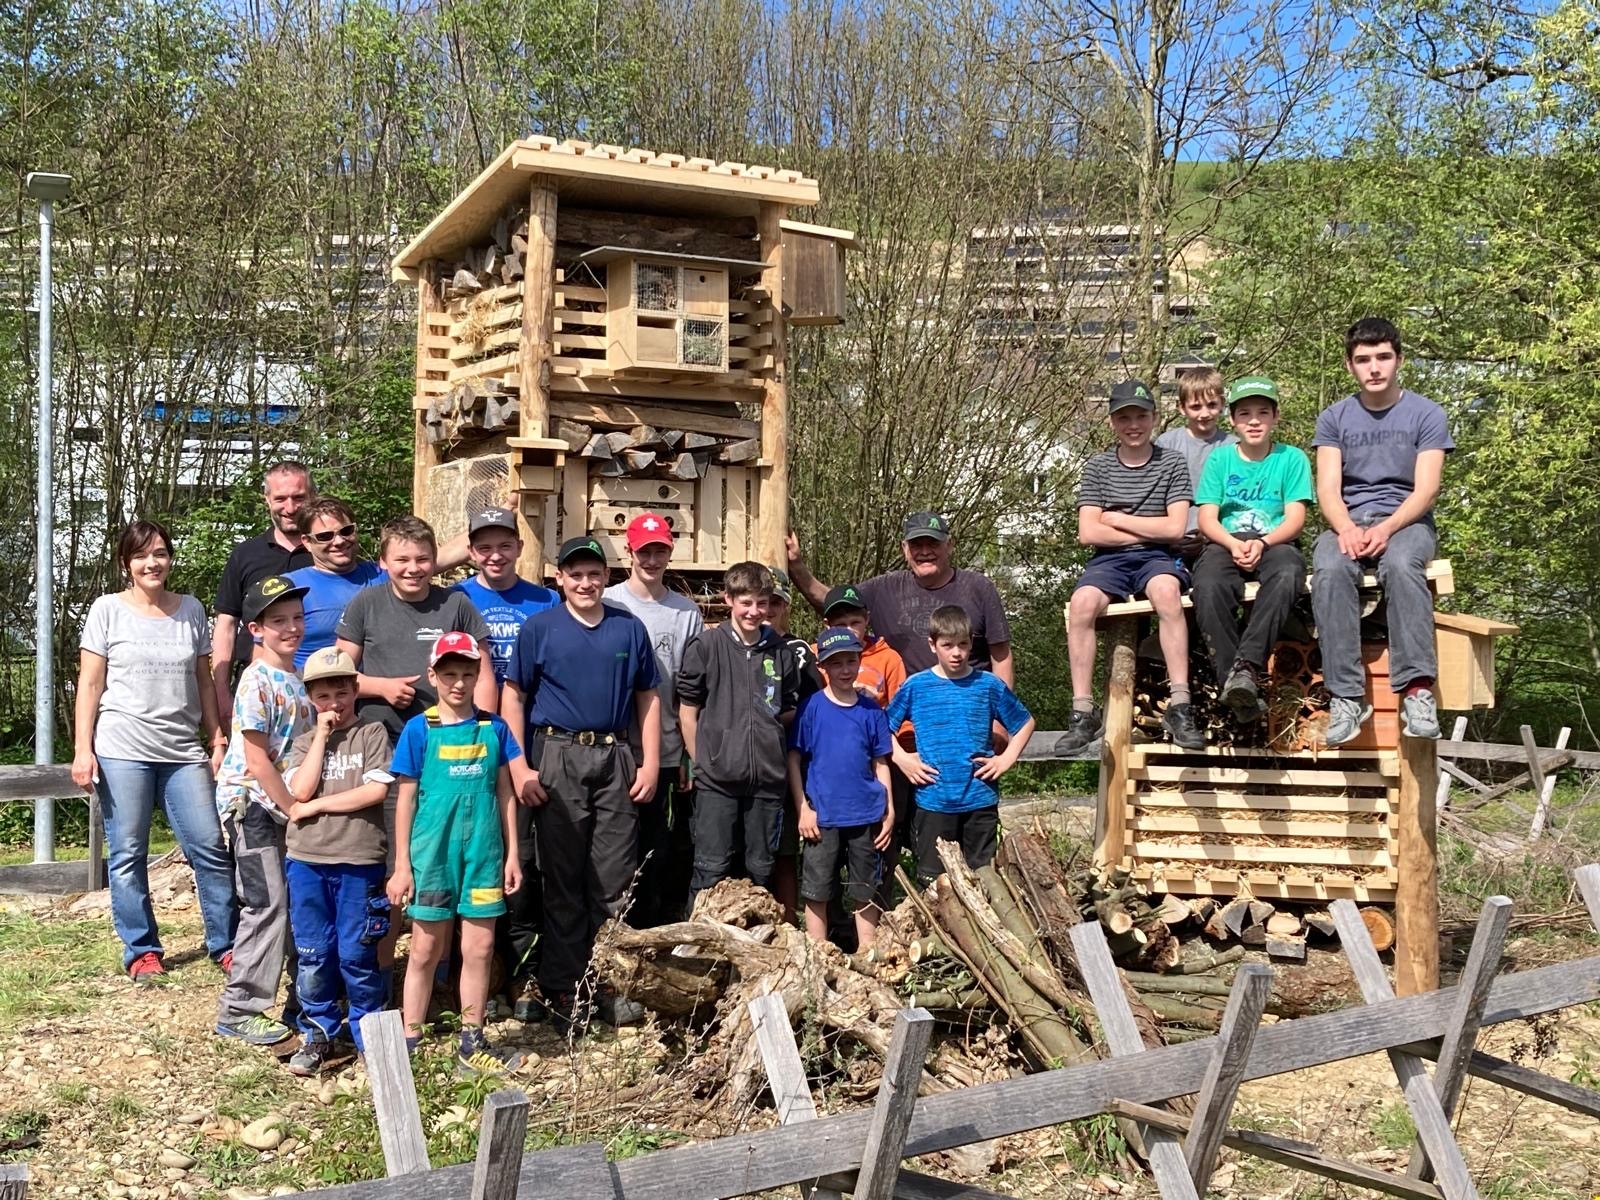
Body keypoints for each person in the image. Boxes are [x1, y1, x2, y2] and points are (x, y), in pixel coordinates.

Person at [500, 536, 661, 1028]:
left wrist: (650, 762)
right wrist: (520, 765)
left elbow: (648, 698)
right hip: (557, 754)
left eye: (593, 573)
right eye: (575, 574)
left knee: (613, 879)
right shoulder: (539, 628)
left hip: (614, 756)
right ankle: (562, 988)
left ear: (607, 577)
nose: (585, 583)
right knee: (562, 877)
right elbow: (513, 696)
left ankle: (607, 983)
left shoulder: (627, 628)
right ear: (560, 579)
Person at [71, 520, 237, 982]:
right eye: (142, 555)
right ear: (127, 563)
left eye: (160, 553)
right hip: (123, 748)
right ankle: (142, 950)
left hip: (183, 751)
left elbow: (204, 681)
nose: (153, 563)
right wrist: (83, 749)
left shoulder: (191, 610)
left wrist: (216, 737)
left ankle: (226, 944)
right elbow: (90, 683)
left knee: (208, 845)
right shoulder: (107, 610)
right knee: (127, 852)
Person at [1313, 317, 1453, 744]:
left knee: (1400, 564)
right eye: (1363, 359)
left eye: (1383, 357)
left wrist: (1389, 527)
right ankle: (1346, 697)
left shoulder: (1426, 413)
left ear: (1399, 360)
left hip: (1407, 522)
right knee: (1329, 568)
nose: (1374, 367)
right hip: (1349, 522)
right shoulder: (1334, 417)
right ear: (1349, 366)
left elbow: (1427, 489)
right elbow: (1327, 489)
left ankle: (1416, 691)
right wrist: (1346, 528)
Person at [387, 633, 524, 1073]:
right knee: (426, 949)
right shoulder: (419, 729)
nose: (459, 683)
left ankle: (472, 1039)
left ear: (478, 675)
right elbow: (405, 800)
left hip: (484, 852)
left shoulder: (494, 728)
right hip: (433, 854)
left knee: (480, 949)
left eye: (468, 673)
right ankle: (411, 1038)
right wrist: (402, 865)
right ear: (434, 676)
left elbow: (506, 794)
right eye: (450, 675)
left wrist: (513, 854)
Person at [1057, 379, 1206, 754]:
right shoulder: (1098, 467)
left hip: (1157, 557)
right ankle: (1082, 712)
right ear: (1112, 422)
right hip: (1109, 561)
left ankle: (1181, 703)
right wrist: (1143, 529)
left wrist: (1118, 519)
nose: (1133, 424)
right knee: (1082, 604)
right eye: (1124, 417)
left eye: (1140, 416)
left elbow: (1175, 527)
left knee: (1167, 594)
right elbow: (1088, 532)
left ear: (1154, 419)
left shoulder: (1171, 462)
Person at [453, 506, 559, 1021]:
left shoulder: (545, 600)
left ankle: (524, 976)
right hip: (469, 742)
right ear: (470, 551)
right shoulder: (457, 599)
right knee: (476, 858)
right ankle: (480, 979)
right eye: (484, 546)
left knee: (525, 861)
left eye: (505, 545)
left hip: (534, 740)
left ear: (519, 548)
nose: (495, 555)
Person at [280, 647, 395, 1075]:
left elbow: (375, 791)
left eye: (342, 692)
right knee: (313, 953)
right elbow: (301, 790)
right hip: (307, 860)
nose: (334, 703)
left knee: (357, 953)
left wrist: (314, 810)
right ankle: (317, 1033)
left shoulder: (373, 734)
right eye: (324, 696)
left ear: (355, 691)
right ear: (312, 698)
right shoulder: (304, 743)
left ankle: (370, 1037)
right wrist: (323, 737)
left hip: (358, 859)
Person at [214, 575, 314, 1045]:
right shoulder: (256, 681)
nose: (291, 628)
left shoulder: (298, 679)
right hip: (251, 805)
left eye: (296, 618)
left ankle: (302, 998)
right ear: (256, 629)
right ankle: (240, 1008)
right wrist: (292, 805)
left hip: (282, 807)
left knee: (291, 903)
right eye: (279, 621)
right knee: (267, 902)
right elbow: (256, 760)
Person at [602, 513, 704, 928]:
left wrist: (685, 752)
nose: (652, 558)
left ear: (669, 552)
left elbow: (689, 689)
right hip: (614, 744)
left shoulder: (685, 612)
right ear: (630, 550)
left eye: (659, 550)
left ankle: (657, 922)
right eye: (644, 550)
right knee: (614, 844)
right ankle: (612, 924)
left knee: (659, 843)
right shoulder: (608, 602)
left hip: (664, 747)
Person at [677, 562, 801, 898]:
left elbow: (786, 710)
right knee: (711, 869)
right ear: (728, 599)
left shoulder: (781, 652)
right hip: (717, 780)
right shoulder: (706, 646)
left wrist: (765, 736)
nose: (754, 611)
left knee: (760, 871)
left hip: (766, 783)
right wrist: (700, 762)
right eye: (746, 602)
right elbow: (688, 712)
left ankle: (756, 946)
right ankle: (696, 947)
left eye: (762, 603)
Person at [1192, 376, 1314, 719]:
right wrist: (1232, 543)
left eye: (1263, 412)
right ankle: (1237, 687)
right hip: (1224, 541)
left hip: (1275, 542)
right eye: (1245, 414)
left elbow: (1294, 518)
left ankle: (1245, 667)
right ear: (1232, 420)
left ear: (1276, 416)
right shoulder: (1220, 461)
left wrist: (1262, 542)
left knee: (1289, 572)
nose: (1254, 421)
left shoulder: (1292, 459)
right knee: (1208, 585)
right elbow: (1207, 518)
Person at [886, 607, 1035, 883]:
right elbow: (882, 728)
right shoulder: (915, 686)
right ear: (932, 645)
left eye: (963, 644)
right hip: (934, 800)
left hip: (979, 799)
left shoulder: (988, 685)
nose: (957, 653)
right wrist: (903, 759)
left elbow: (1025, 723)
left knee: (984, 877)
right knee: (935, 882)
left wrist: (1005, 760)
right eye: (948, 645)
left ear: (971, 643)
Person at [785, 511, 1013, 681]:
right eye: (916, 544)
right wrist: (796, 565)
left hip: (970, 709)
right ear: (904, 548)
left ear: (949, 546)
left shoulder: (978, 588)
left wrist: (999, 719)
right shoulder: (883, 589)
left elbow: (1001, 657)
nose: (925, 551)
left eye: (933, 543)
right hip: (909, 716)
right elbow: (834, 604)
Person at [334, 516, 496, 742]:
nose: (413, 569)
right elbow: (336, 677)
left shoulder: (456, 604)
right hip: (378, 738)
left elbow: (483, 679)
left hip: (446, 736)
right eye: (402, 559)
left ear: (434, 559)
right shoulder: (365, 603)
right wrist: (381, 687)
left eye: (422, 559)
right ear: (383, 561)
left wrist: (482, 732)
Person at [789, 628, 894, 949]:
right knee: (817, 890)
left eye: (851, 661)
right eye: (837, 664)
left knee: (865, 888)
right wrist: (803, 809)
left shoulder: (871, 711)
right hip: (822, 818)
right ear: (823, 667)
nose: (845, 670)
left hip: (866, 815)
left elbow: (881, 763)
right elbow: (793, 759)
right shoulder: (811, 708)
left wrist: (889, 810)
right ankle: (817, 956)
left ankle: (867, 953)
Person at [211, 462, 314, 727]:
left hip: (318, 688)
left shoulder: (327, 552)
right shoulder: (246, 555)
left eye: (298, 497)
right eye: (280, 498)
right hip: (256, 686)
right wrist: (221, 692)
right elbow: (226, 625)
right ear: (267, 500)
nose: (290, 508)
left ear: (312, 496)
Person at [763, 568, 820, 921]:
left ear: (786, 605)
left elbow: (812, 707)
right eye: (761, 601)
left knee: (784, 851)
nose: (766, 609)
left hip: (789, 759)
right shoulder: (733, 645)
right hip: (745, 761)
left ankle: (787, 923)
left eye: (775, 602)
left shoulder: (799, 651)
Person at [285, 497, 385, 670]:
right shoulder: (290, 587)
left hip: (385, 694)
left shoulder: (384, 575)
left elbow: (433, 559)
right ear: (307, 542)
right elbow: (265, 657)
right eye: (325, 536)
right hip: (314, 693)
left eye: (346, 531)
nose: (339, 541)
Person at [1155, 368, 1236, 564]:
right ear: (1181, 408)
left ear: (1222, 405)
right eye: (1196, 407)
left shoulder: (1233, 446)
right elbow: (1156, 496)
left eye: (1211, 405)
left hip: (1218, 541)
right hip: (1173, 540)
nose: (1205, 413)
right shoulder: (1166, 444)